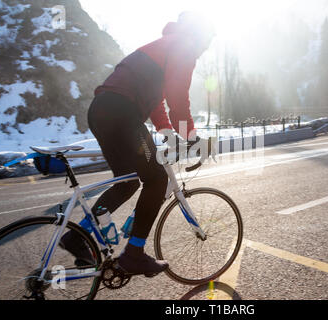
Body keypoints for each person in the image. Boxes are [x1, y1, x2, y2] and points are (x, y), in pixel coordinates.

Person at [59, 12, 215, 276]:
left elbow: (156, 105)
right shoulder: (183, 47)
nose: (203, 49)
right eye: (207, 42)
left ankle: (77, 236)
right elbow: (179, 99)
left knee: (127, 181)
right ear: (199, 36)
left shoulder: (163, 47)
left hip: (101, 110)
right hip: (123, 112)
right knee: (156, 180)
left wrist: (170, 135)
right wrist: (191, 138)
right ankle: (134, 254)